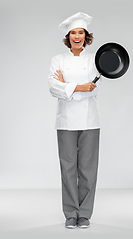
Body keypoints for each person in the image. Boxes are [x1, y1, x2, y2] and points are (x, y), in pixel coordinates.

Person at [48, 12, 101, 229]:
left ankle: (85, 213)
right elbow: (53, 88)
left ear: (86, 36)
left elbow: (95, 89)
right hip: (65, 121)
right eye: (73, 33)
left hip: (90, 120)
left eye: (80, 32)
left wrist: (67, 88)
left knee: (88, 169)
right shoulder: (58, 60)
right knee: (67, 167)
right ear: (68, 36)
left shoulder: (93, 59)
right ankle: (71, 213)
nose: (77, 36)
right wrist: (80, 87)